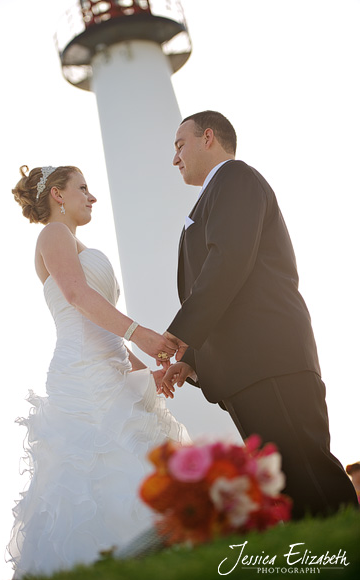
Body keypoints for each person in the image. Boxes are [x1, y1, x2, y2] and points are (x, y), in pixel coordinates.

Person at [160, 110, 357, 520]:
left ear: (208, 137)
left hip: (269, 358)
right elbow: (223, 283)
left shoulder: (236, 179)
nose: (175, 158)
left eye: (180, 146)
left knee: (309, 474)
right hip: (245, 369)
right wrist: (191, 361)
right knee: (285, 485)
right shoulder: (212, 196)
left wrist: (182, 336)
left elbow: (229, 262)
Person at [6, 164, 191, 577]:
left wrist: (146, 371)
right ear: (57, 194)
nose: (91, 197)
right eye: (83, 188)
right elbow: (76, 294)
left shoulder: (76, 242)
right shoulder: (53, 234)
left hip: (111, 366)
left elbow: (102, 328)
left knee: (134, 451)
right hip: (81, 373)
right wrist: (139, 331)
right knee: (99, 463)